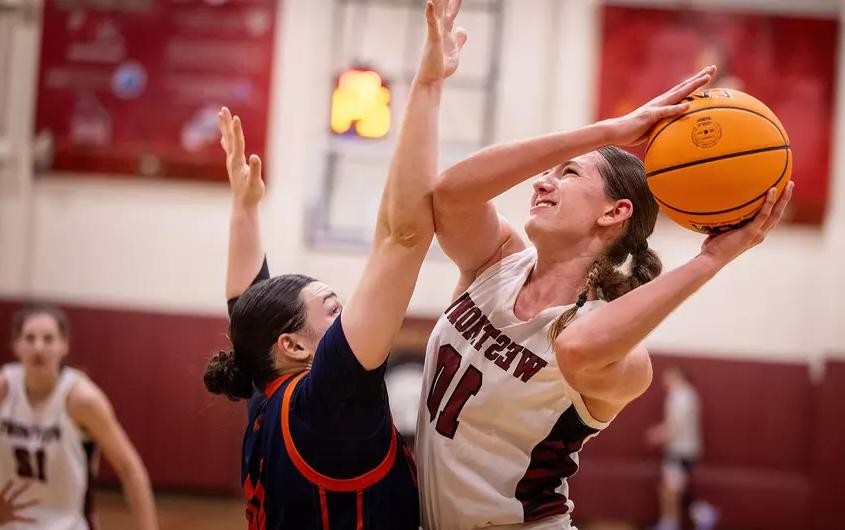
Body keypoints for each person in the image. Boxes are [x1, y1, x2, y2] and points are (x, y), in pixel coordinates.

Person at [416, 62, 795, 529]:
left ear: (614, 212)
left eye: (568, 174)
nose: (540, 182)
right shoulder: (496, 259)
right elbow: (449, 193)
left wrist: (710, 260)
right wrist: (611, 129)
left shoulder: (618, 352)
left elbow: (576, 348)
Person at [201, 1, 466, 528]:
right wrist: (427, 85)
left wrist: (245, 208)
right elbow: (401, 235)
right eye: (333, 309)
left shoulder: (267, 390)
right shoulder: (326, 398)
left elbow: (244, 303)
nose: (347, 318)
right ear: (295, 346)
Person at [0, 304, 158, 530]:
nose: (38, 347)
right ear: (16, 345)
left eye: (48, 339)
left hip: (68, 524)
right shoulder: (4, 389)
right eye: (29, 338)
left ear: (64, 345)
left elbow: (130, 469)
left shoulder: (82, 399)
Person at [646, 367, 702, 530]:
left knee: (669, 490)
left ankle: (676, 521)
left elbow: (674, 424)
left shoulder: (681, 396)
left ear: (678, 375)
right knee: (670, 489)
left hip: (681, 451)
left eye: (668, 375)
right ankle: (696, 513)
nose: (664, 379)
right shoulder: (685, 395)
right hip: (681, 450)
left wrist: (657, 434)